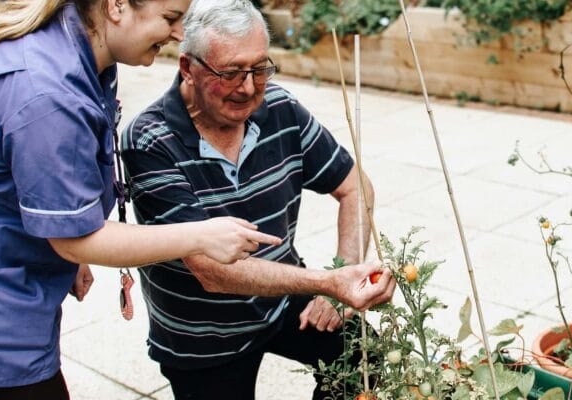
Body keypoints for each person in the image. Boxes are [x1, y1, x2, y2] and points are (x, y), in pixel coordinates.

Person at [0, 1, 284, 399]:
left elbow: (39, 171)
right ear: (116, 6)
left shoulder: (78, 50)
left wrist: (70, 222)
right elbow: (75, 238)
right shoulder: (45, 92)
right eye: (170, 18)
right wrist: (200, 236)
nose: (179, 34)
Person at [120, 0, 395, 398]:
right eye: (230, 72)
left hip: (281, 298)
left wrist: (344, 270)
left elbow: (355, 188)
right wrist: (328, 283)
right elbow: (212, 272)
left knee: (361, 357)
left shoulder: (279, 107)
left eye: (260, 68)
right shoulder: (150, 140)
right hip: (202, 336)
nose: (249, 87)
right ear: (187, 68)